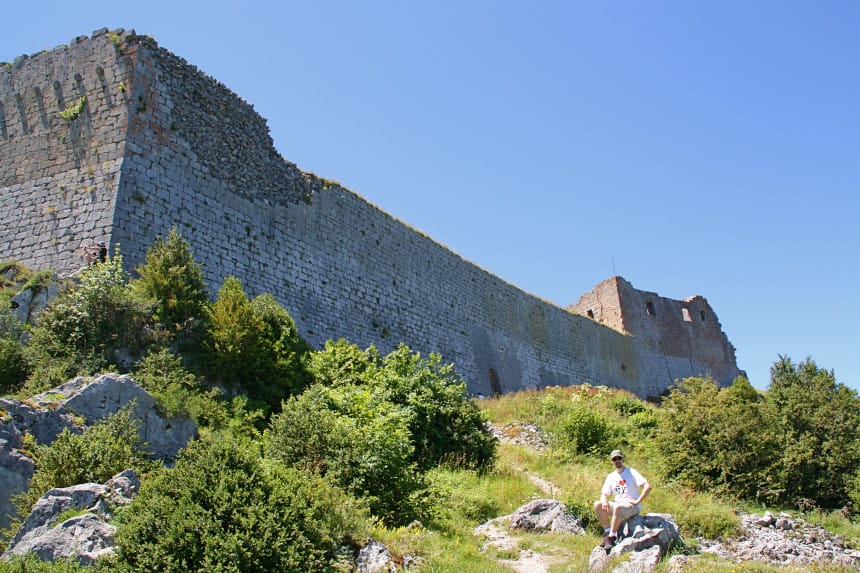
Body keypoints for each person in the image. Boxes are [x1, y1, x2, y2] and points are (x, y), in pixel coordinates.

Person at [594, 449, 651, 550]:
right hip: (619, 505)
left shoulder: (631, 472)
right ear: (611, 461)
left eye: (619, 458)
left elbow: (647, 486)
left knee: (618, 507)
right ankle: (607, 532)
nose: (617, 461)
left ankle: (612, 536)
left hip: (632, 506)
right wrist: (604, 501)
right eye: (614, 459)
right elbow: (604, 494)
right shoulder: (611, 476)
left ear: (622, 459)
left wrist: (638, 501)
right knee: (597, 504)